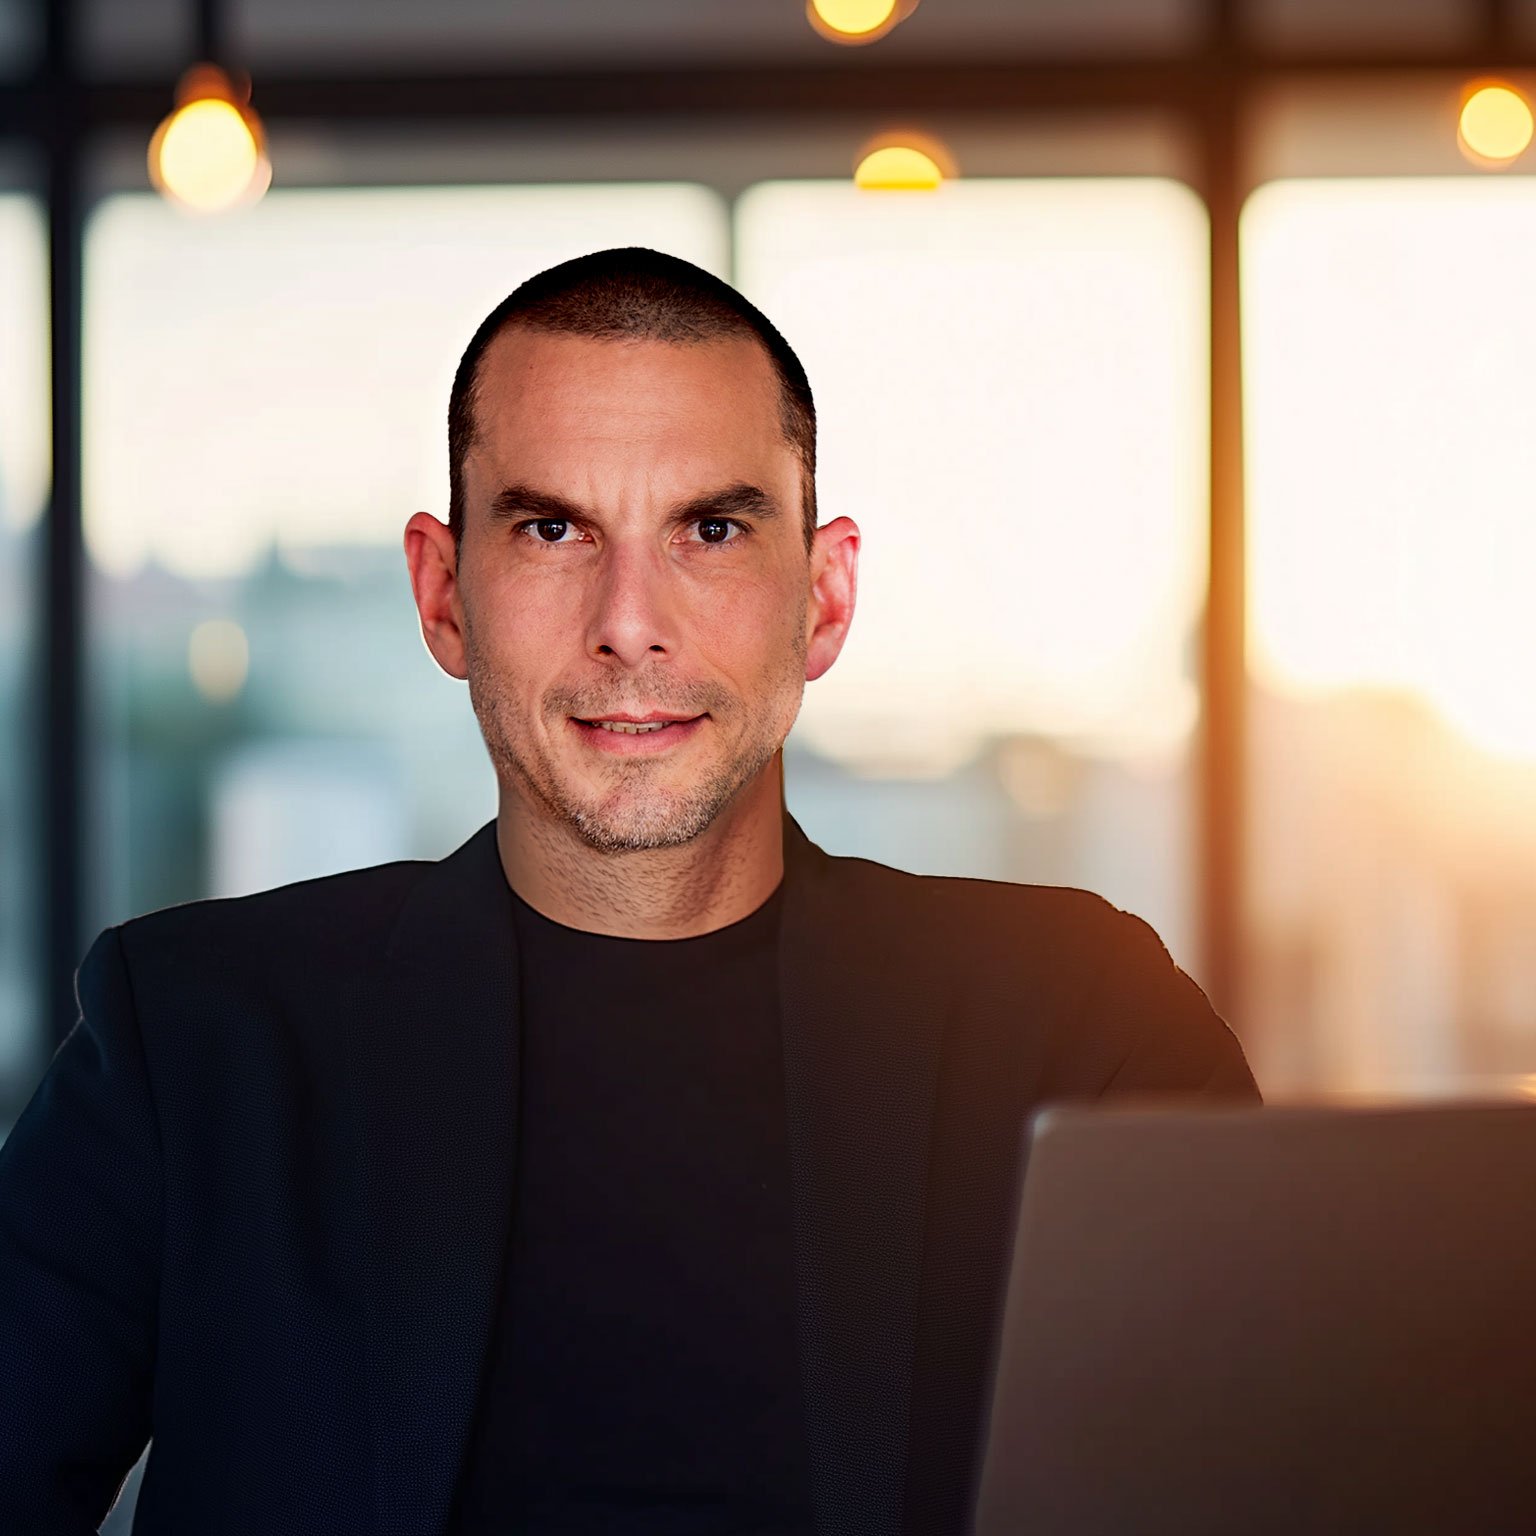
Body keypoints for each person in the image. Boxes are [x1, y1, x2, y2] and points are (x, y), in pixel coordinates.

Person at [0, 247, 1260, 1536]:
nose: (630, 624)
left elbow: (1306, 1465)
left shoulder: (1081, 1022)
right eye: (553, 530)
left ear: (822, 600)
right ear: (443, 596)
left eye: (710, 530)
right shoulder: (199, 1036)